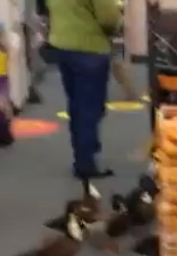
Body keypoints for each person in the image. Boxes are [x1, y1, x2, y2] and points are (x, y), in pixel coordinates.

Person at [47, 0, 122, 179]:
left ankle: (81, 154)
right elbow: (109, 19)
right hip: (90, 48)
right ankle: (85, 162)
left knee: (76, 104)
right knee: (90, 108)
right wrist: (118, 23)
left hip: (63, 45)